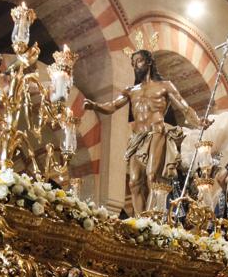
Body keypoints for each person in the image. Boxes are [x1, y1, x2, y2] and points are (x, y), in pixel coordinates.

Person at [86, 46, 202, 217]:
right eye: (133, 63)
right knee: (134, 182)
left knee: (152, 176)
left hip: (157, 132)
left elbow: (184, 108)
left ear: (149, 62)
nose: (136, 66)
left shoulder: (165, 86)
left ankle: (153, 219)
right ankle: (141, 221)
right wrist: (95, 105)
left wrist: (199, 122)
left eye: (138, 61)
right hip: (137, 137)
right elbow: (112, 106)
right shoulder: (131, 90)